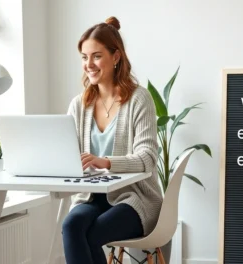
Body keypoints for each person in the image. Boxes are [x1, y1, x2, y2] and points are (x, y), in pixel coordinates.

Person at [62, 16, 163, 264]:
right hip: (91, 197)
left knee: (94, 233)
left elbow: (148, 158)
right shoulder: (79, 105)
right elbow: (66, 155)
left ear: (116, 57)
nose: (89, 64)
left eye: (96, 56)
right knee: (71, 225)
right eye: (84, 58)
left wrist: (105, 162)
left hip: (133, 198)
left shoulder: (139, 99)